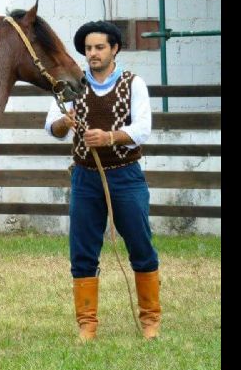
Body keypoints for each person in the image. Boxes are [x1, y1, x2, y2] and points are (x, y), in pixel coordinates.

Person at [44, 21, 161, 342]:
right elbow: (50, 126)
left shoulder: (133, 83)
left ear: (114, 50)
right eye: (88, 48)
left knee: (140, 244)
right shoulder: (71, 85)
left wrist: (109, 137)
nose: (92, 54)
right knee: (82, 250)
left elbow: (143, 128)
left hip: (126, 175)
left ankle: (150, 319)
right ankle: (87, 325)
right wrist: (63, 123)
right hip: (85, 177)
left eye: (99, 47)